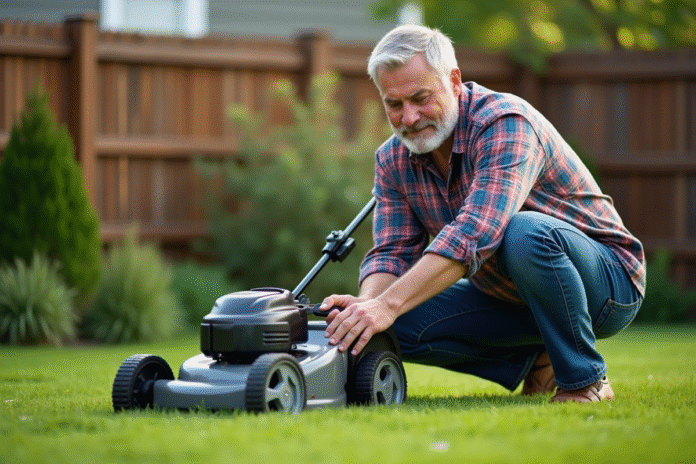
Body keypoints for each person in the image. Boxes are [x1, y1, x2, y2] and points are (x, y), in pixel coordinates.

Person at [319, 25, 645, 404]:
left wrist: (386, 304)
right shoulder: (392, 158)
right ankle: (536, 359)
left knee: (525, 232)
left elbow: (476, 232)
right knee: (386, 327)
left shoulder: (505, 123)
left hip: (606, 285)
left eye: (420, 98)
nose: (408, 118)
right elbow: (392, 251)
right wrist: (369, 305)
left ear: (454, 80)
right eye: (394, 104)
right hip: (508, 296)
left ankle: (585, 379)